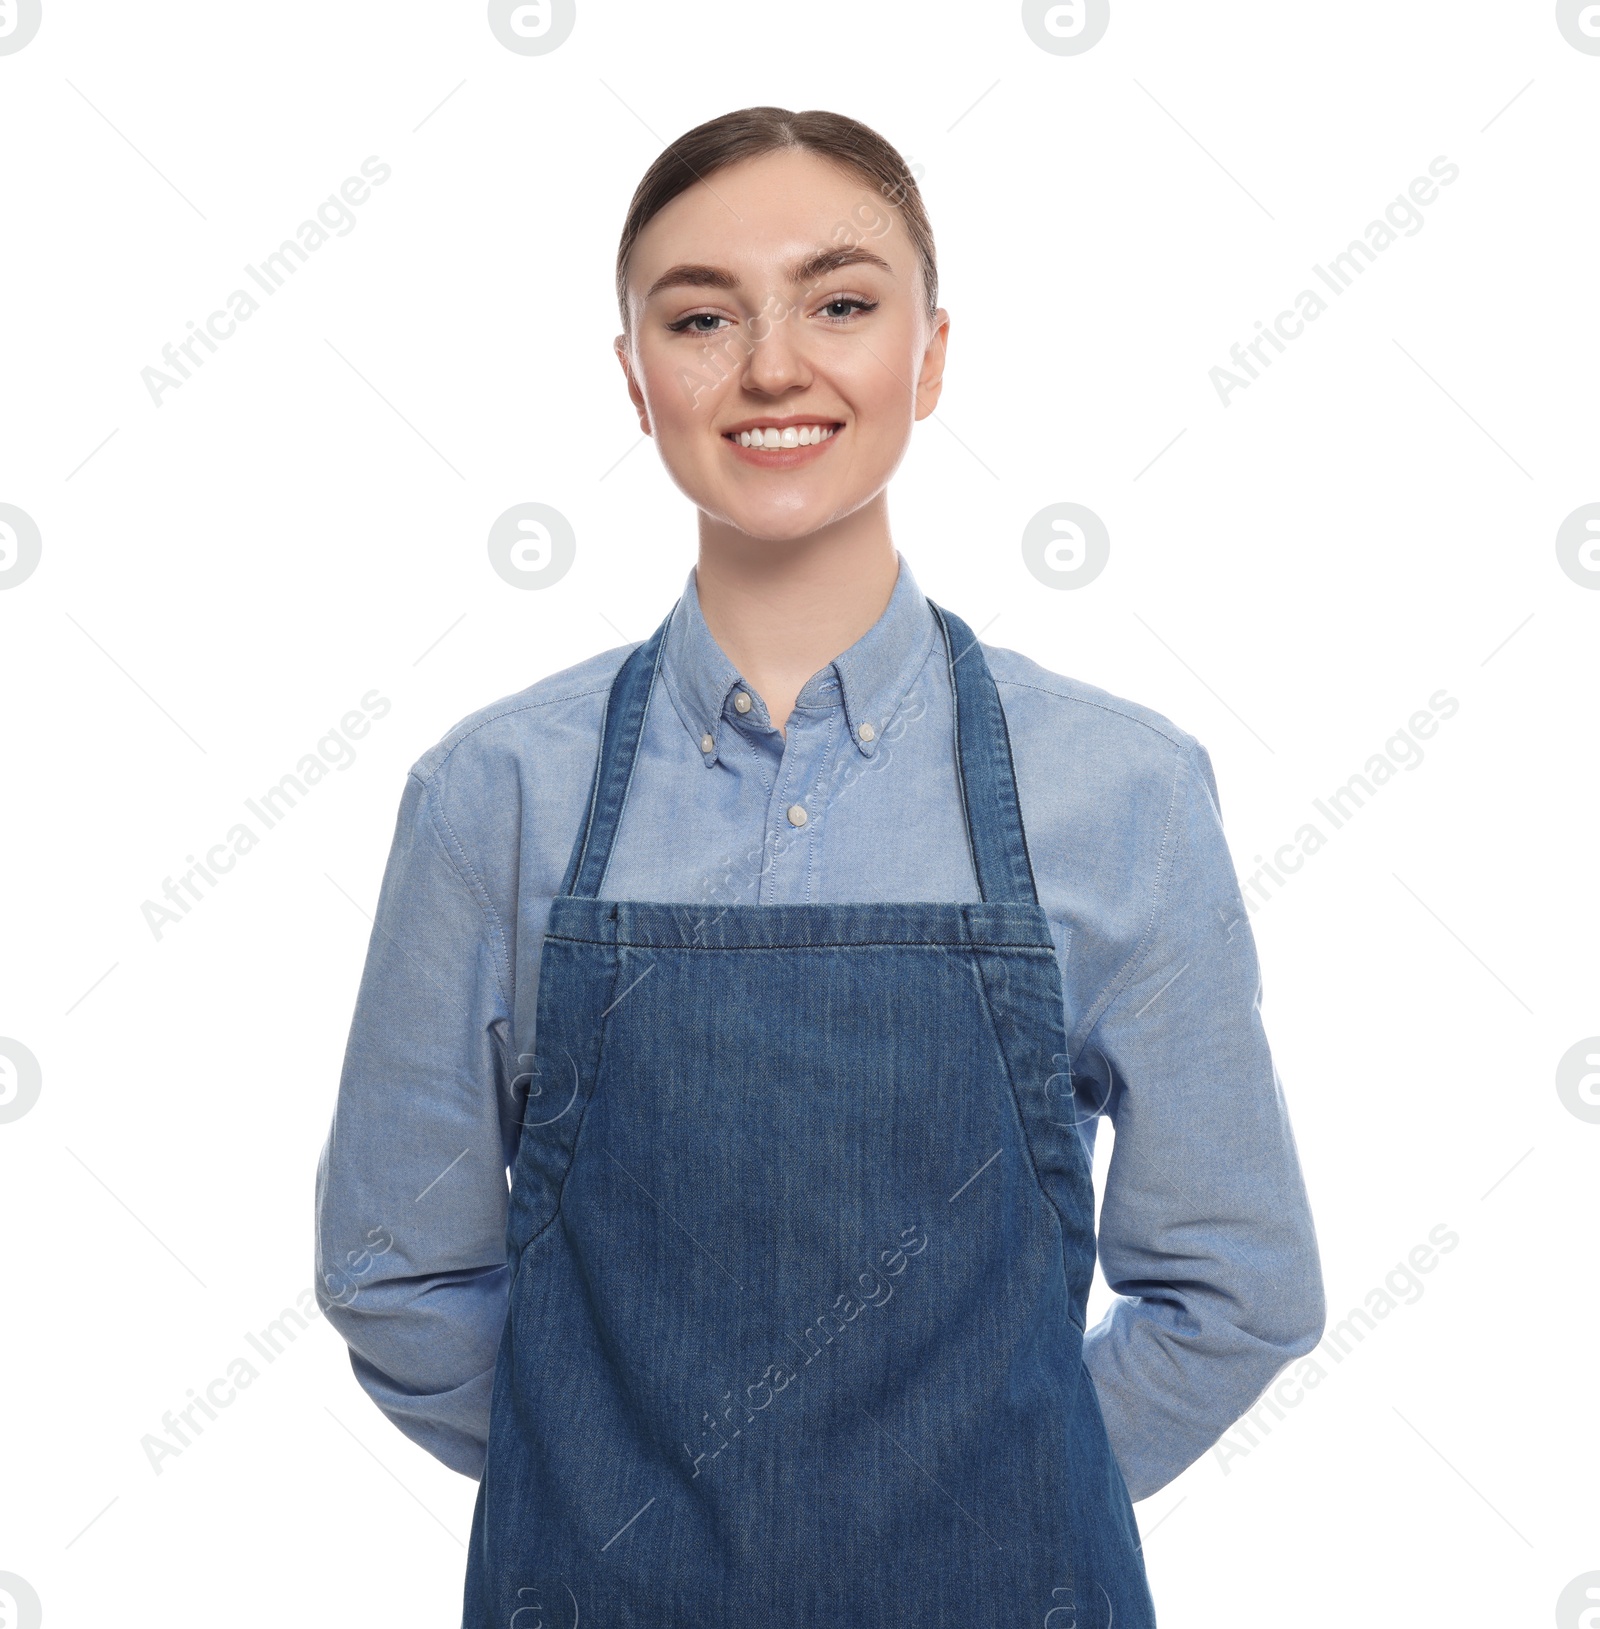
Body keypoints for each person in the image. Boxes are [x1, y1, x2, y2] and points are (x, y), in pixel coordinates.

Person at [313, 105, 1325, 1629]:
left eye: (840, 304)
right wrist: (606, 1496)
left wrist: (990, 1492)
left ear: (927, 356)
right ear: (635, 378)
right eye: (702, 315)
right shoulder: (493, 795)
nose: (773, 365)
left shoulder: (1122, 791)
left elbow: (1241, 1287)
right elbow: (395, 1272)